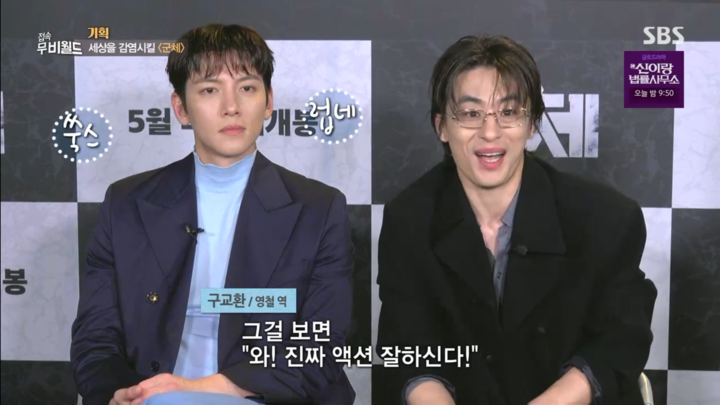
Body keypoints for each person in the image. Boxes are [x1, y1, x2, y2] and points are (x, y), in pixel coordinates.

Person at [70, 24, 355, 405]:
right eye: (209, 90)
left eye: (247, 88)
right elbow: (95, 338)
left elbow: (322, 346)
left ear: (268, 102)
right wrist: (123, 393)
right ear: (181, 108)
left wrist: (203, 389)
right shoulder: (126, 204)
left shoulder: (318, 209)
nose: (231, 106)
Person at [375, 35, 657, 405]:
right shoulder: (409, 218)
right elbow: (406, 349)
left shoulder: (604, 218)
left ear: (532, 124)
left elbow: (619, 342)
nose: (490, 133)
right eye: (471, 114)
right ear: (442, 126)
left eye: (508, 112)